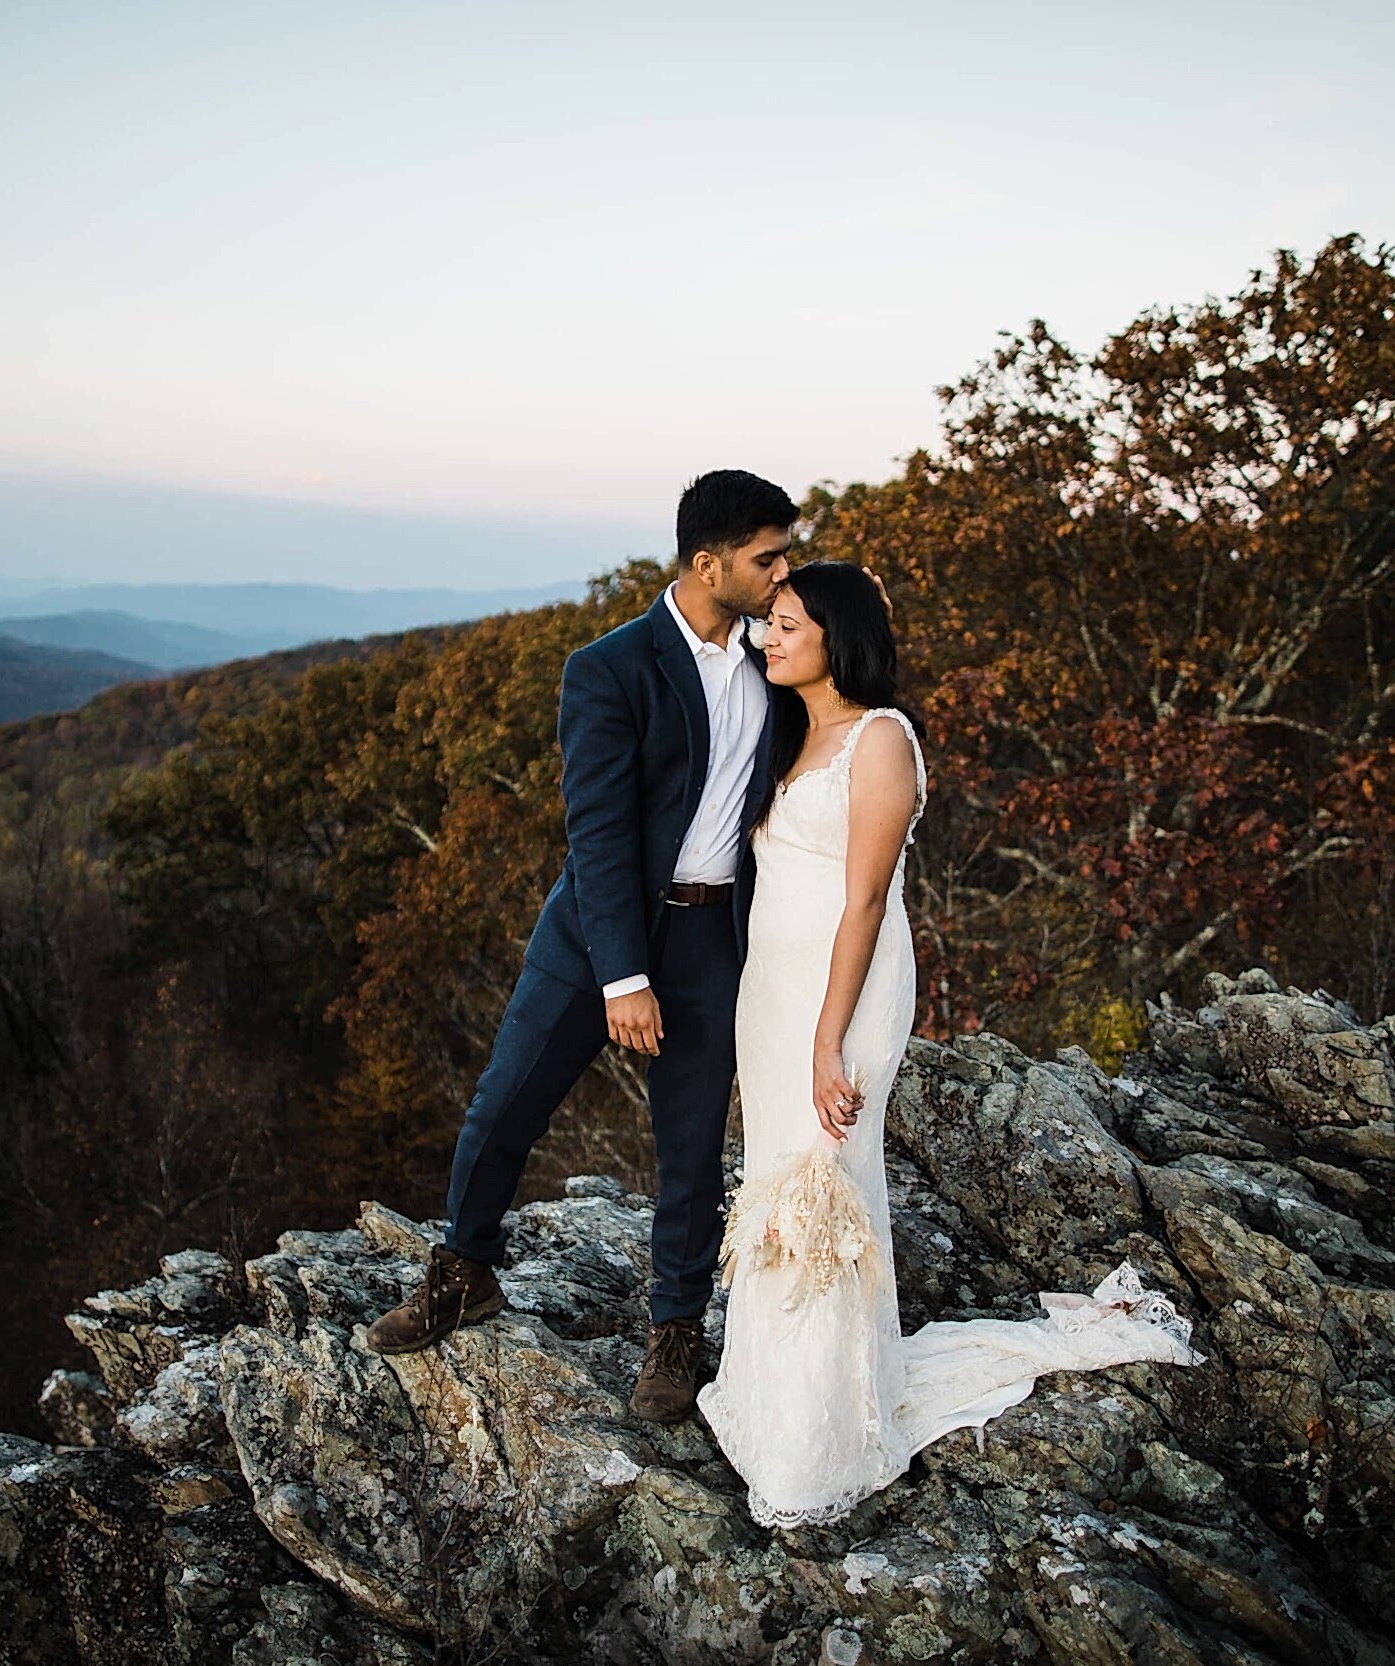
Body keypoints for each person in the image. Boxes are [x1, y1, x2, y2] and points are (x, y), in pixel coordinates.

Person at [693, 559, 1201, 1528]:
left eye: (791, 624)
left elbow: (864, 899)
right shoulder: (794, 733)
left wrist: (825, 1041)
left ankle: (822, 1438)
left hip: (841, 994)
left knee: (822, 1179)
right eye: (771, 624)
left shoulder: (882, 740)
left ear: (836, 636)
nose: (771, 638)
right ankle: (771, 1397)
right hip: (771, 993)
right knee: (777, 1174)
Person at [363, 468, 796, 1423]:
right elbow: (595, 831)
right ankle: (462, 1268)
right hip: (600, 935)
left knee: (689, 1151)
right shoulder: (609, 667)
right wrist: (622, 975)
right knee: (503, 1107)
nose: (783, 574)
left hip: (716, 940)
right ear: (707, 561)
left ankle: (676, 1333)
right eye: (768, 558)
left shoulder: (782, 659)